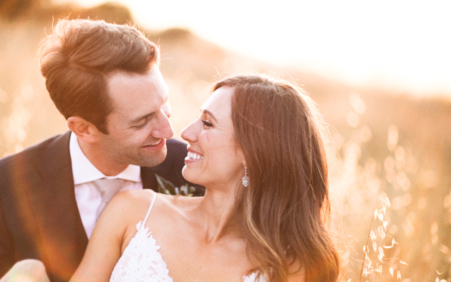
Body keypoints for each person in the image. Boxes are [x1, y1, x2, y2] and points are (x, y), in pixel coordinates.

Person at [0, 19, 203, 282]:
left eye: (164, 104)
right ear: (83, 129)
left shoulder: (190, 168)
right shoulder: (4, 185)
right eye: (142, 121)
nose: (168, 130)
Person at [71, 74, 340, 281]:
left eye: (208, 123)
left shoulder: (292, 266)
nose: (186, 133)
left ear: (253, 151)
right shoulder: (131, 211)